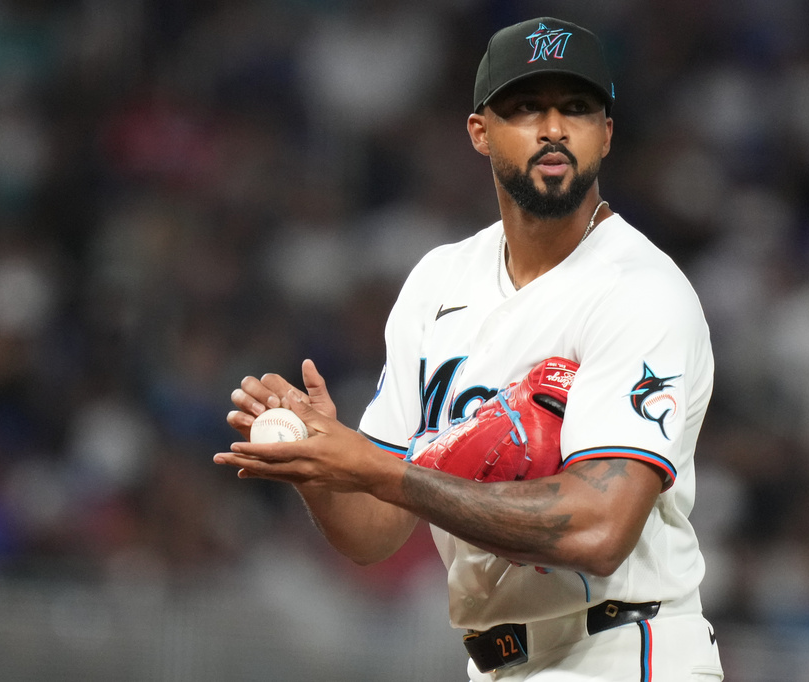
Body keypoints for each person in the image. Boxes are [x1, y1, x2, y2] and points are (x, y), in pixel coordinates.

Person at [215, 16, 723, 681]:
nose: (552, 128)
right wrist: (319, 466)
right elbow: (373, 531)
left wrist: (374, 470)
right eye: (524, 108)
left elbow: (599, 531)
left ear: (606, 132)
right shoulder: (437, 284)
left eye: (576, 107)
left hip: (621, 650)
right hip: (494, 664)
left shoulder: (639, 291)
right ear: (479, 132)